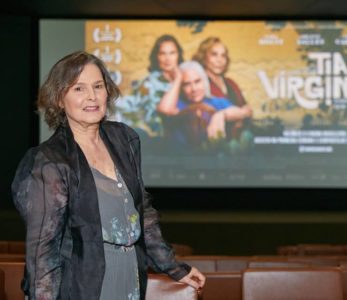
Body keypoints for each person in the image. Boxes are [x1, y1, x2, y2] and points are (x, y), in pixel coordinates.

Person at [11, 51, 205, 300]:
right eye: (78, 89)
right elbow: (43, 251)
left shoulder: (124, 139)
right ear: (60, 99)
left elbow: (142, 214)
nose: (91, 96)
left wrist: (174, 267)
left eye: (98, 86)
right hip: (83, 284)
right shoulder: (50, 161)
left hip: (130, 277)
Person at [157, 60, 252, 146]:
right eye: (186, 84)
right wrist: (178, 78)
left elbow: (246, 111)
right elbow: (164, 110)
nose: (194, 89)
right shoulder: (177, 105)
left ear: (204, 81)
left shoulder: (217, 102)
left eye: (197, 81)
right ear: (181, 87)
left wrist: (220, 115)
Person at [115, 34, 184, 138]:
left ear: (178, 55)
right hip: (141, 133)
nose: (167, 58)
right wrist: (178, 78)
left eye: (172, 53)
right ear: (156, 57)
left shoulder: (185, 76)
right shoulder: (150, 82)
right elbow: (167, 111)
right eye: (162, 53)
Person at [192, 37, 250, 110]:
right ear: (203, 56)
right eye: (214, 54)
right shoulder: (198, 84)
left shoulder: (231, 83)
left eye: (223, 55)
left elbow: (245, 107)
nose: (220, 60)